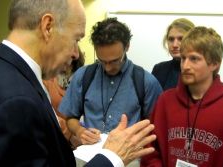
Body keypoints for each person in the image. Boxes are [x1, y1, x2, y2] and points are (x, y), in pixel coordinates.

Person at [0, 0, 157, 166]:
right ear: (48, 27)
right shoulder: (17, 101)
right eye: (76, 39)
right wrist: (111, 157)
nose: (76, 54)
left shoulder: (11, 76)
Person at [141, 26, 223, 167]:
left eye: (194, 59)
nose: (185, 66)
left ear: (215, 63)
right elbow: (150, 152)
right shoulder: (165, 101)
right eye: (183, 58)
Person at [59, 17, 162, 145]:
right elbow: (70, 117)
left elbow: (156, 127)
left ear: (127, 47)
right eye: (102, 61)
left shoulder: (147, 82)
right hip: (91, 155)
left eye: (114, 61)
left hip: (129, 159)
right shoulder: (83, 75)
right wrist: (80, 131)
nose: (108, 67)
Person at [43, 47, 85, 149]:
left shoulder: (80, 78)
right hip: (56, 137)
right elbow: (48, 115)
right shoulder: (47, 79)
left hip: (77, 138)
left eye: (71, 64)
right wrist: (70, 135)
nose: (67, 68)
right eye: (66, 62)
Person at [152, 18, 195, 91]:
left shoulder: (201, 69)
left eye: (181, 39)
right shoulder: (159, 69)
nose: (175, 45)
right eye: (171, 39)